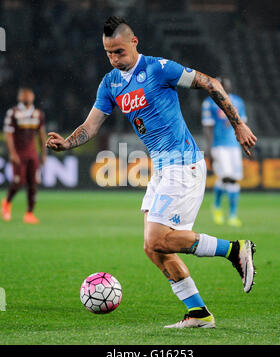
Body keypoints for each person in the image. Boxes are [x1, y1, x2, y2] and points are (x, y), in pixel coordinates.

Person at [46, 16, 257, 328]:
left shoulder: (159, 69)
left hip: (182, 163)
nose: (114, 58)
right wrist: (67, 143)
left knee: (159, 239)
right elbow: (91, 125)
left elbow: (211, 83)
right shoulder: (110, 83)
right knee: (152, 247)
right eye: (108, 53)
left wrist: (238, 124)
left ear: (134, 42)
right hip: (161, 169)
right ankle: (198, 313)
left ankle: (236, 250)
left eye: (119, 51)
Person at [202, 77, 247, 227]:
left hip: (234, 146)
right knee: (229, 178)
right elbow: (208, 127)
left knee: (228, 179)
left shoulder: (239, 102)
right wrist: (209, 148)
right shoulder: (209, 103)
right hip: (219, 146)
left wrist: (245, 144)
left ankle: (217, 206)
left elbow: (242, 125)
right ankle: (232, 215)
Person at [1, 87, 47, 224]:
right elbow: (8, 134)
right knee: (18, 181)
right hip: (19, 153)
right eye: (24, 95)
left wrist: (44, 153)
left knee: (33, 183)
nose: (27, 97)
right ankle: (6, 203)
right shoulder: (13, 113)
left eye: (29, 95)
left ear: (33, 97)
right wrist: (12, 153)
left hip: (32, 153)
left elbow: (41, 134)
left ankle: (29, 213)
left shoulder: (38, 114)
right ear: (20, 97)